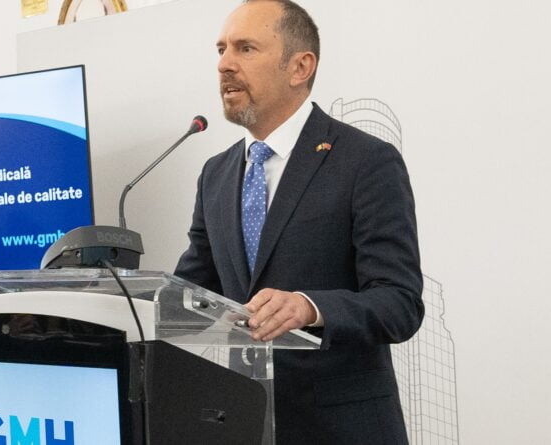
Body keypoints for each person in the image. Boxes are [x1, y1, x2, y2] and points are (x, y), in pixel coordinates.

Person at [174, 0, 424, 443]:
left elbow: (399, 303)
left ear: (300, 67)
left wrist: (310, 307)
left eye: (246, 48)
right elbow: (190, 295)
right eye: (221, 49)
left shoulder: (365, 161)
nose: (225, 64)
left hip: (342, 430)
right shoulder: (217, 173)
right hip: (248, 424)